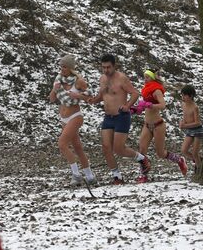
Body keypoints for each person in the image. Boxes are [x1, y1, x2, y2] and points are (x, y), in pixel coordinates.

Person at [77, 54, 149, 184]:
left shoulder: (122, 78)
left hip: (121, 116)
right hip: (108, 116)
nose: (106, 70)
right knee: (106, 148)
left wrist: (127, 105)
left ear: (114, 66)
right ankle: (117, 176)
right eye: (103, 67)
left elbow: (135, 93)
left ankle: (141, 158)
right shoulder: (102, 79)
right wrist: (93, 100)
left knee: (119, 149)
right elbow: (102, 95)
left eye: (108, 67)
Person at [48, 55, 97, 186]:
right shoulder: (58, 79)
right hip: (63, 118)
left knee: (62, 143)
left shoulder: (78, 81)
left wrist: (78, 95)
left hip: (75, 116)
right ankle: (90, 176)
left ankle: (76, 175)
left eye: (64, 66)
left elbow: (90, 97)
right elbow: (52, 99)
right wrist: (54, 89)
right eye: (61, 66)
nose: (62, 69)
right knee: (77, 147)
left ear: (70, 68)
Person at [135, 69, 188, 183]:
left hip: (158, 125)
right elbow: (144, 105)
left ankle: (179, 159)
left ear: (153, 78)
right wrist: (137, 108)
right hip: (147, 125)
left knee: (160, 153)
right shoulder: (146, 90)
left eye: (147, 77)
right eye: (144, 77)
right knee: (141, 151)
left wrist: (150, 105)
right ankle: (143, 174)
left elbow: (163, 105)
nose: (145, 79)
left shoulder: (156, 90)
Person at [179, 84, 203, 171]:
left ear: (191, 96)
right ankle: (200, 160)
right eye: (182, 95)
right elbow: (185, 116)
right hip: (189, 130)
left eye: (184, 95)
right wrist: (182, 123)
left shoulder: (195, 107)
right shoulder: (183, 104)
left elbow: (197, 122)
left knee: (195, 152)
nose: (183, 97)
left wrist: (185, 125)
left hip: (197, 131)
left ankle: (200, 170)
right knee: (184, 150)